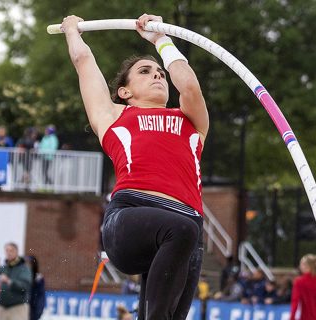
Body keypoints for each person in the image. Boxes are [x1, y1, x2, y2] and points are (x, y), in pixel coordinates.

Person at [61, 12, 208, 320]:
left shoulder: (191, 120)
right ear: (125, 92)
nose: (157, 75)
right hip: (130, 217)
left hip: (188, 228)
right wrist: (72, 30)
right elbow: (83, 62)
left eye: (160, 73)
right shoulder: (113, 115)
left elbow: (190, 87)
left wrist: (161, 40)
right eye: (145, 71)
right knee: (179, 231)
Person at [0, 242, 32, 320]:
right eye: (7, 250)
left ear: (17, 252)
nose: (9, 253)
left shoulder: (24, 269)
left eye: (11, 250)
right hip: (1, 308)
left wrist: (9, 281)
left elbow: (25, 287)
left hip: (18, 308)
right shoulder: (2, 268)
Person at [290, 254, 316, 320]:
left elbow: (295, 302)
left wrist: (292, 317)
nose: (300, 267)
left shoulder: (299, 281)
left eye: (300, 264)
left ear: (305, 266)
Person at [26, 255, 46, 320]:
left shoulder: (38, 278)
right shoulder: (20, 277)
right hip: (21, 308)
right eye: (25, 263)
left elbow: (41, 296)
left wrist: (38, 311)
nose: (27, 265)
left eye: (29, 263)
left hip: (33, 309)